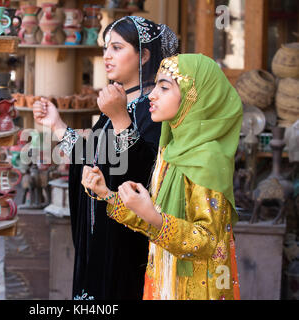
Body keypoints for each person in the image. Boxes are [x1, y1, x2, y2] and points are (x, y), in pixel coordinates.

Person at [32, 16, 178, 300]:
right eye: (105, 48)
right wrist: (57, 124)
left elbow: (148, 172)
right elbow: (95, 154)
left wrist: (120, 117)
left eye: (117, 47)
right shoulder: (120, 101)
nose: (106, 56)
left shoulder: (157, 108)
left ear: (144, 55)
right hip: (99, 234)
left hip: (128, 240)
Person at [82, 53, 243, 300]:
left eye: (164, 87)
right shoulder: (170, 149)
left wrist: (153, 216)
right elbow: (155, 222)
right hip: (162, 281)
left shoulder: (208, 158)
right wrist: (107, 195)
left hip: (196, 290)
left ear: (193, 96)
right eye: (155, 85)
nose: (153, 95)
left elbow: (207, 242)